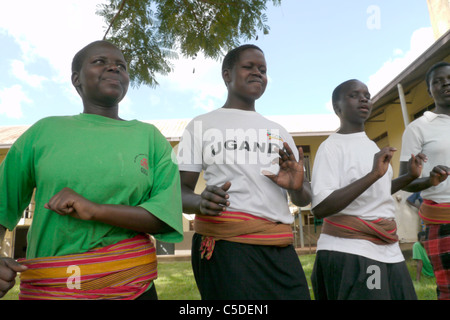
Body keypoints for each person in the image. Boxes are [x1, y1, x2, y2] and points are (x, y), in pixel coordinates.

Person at [0, 40, 183, 300]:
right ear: (76, 79)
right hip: (52, 290)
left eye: (121, 65)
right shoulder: (43, 132)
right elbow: (2, 202)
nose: (114, 68)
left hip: (133, 288)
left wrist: (95, 210)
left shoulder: (151, 138)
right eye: (100, 62)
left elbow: (165, 214)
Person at [177, 44, 312, 300]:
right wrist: (200, 201)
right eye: (249, 67)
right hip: (227, 249)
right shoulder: (201, 125)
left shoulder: (278, 131)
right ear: (226, 74)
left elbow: (304, 199)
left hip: (279, 248)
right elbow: (179, 190)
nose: (258, 73)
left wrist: (297, 186)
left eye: (262, 69)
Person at [310, 79, 423, 300]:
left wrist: (409, 177)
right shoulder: (331, 147)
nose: (364, 98)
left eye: (367, 95)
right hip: (353, 250)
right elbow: (321, 207)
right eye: (354, 95)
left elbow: (377, 192)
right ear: (337, 107)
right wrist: (372, 175)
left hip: (388, 248)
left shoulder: (370, 145)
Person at [399, 61, 450, 300]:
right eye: (438, 81)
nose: (446, 83)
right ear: (430, 91)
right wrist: (430, 181)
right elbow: (403, 180)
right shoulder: (418, 128)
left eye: (449, 78)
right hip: (443, 222)